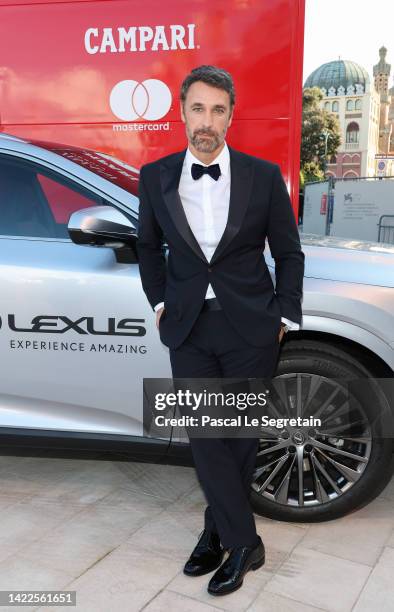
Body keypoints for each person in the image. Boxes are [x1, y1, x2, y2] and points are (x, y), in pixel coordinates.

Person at [136, 65, 304, 596]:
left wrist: (284, 314)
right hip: (189, 327)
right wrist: (160, 300)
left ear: (231, 116)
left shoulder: (261, 176)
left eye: (217, 109)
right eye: (197, 108)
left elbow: (288, 252)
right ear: (182, 112)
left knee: (239, 440)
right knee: (207, 438)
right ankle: (245, 542)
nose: (206, 120)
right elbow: (146, 247)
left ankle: (216, 531)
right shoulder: (156, 176)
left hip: (251, 326)